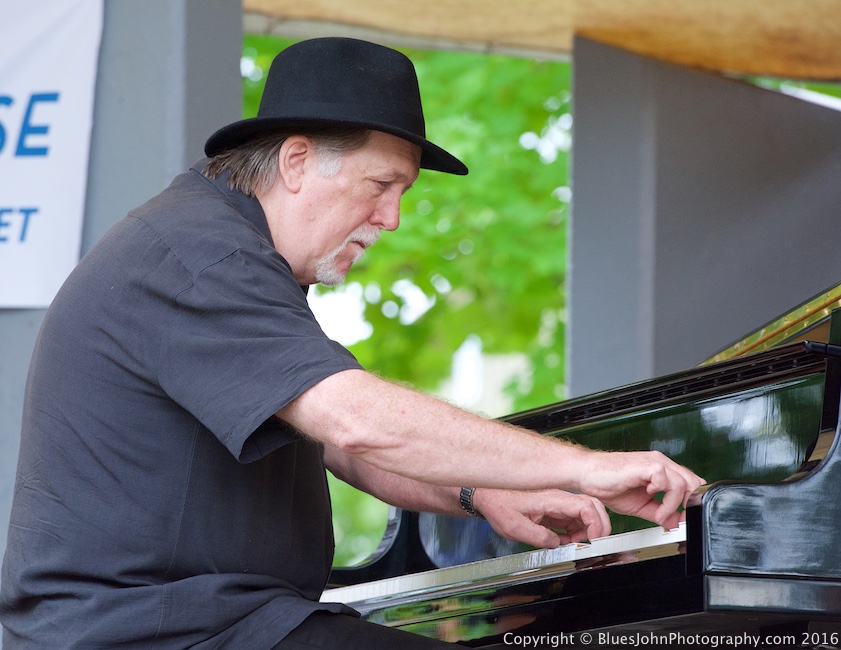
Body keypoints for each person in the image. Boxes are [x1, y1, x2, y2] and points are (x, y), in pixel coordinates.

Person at [0, 37, 704, 649]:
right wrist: (586, 469)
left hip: (213, 624)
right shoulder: (198, 258)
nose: (391, 218)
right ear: (298, 161)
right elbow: (357, 423)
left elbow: (333, 444)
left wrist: (481, 490)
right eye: (381, 184)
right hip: (151, 632)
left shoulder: (226, 251)